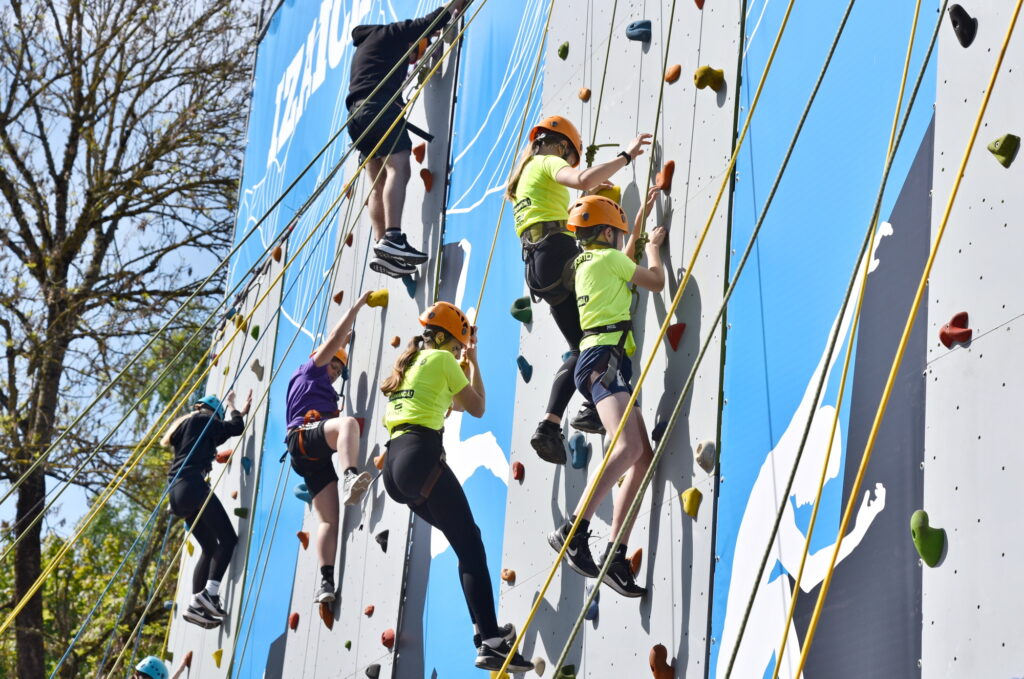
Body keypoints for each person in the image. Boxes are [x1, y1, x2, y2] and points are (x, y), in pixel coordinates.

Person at [379, 301, 532, 673]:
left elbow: (455, 406)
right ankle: (491, 641)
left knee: (466, 544)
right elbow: (477, 407)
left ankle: (487, 634)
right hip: (420, 456)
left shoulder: (411, 364)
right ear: (449, 339)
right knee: (471, 543)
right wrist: (473, 361)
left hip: (395, 469)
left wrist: (462, 360)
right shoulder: (444, 362)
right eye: (456, 344)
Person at [505, 114, 651, 464]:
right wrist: (626, 157)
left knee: (578, 347)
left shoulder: (524, 176)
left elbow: (550, 210)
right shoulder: (546, 160)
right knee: (598, 331)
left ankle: (550, 424)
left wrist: (581, 200)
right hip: (557, 252)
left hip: (538, 266)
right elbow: (582, 177)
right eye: (570, 156)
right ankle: (593, 403)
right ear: (561, 144)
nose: (569, 164)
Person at [547, 194, 667, 598]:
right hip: (606, 360)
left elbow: (620, 264)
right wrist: (653, 248)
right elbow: (654, 281)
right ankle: (574, 530)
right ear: (604, 233)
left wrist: (634, 228)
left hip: (597, 358)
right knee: (627, 448)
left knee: (641, 457)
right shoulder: (610, 260)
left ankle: (614, 556)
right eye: (616, 234)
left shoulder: (586, 264)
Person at [347, 0, 469, 278]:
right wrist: (457, 6)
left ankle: (383, 246)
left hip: (357, 116)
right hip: (379, 109)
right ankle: (393, 237)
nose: (414, 61)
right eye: (417, 53)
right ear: (413, 42)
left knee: (376, 183)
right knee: (399, 167)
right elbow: (431, 21)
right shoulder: (391, 33)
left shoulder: (368, 47)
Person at [285, 292, 375, 604]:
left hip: (309, 454)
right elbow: (336, 337)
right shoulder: (309, 370)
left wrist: (343, 347)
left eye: (338, 370)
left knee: (328, 520)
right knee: (347, 424)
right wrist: (357, 308)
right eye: (332, 366)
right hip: (303, 436)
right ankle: (350, 475)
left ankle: (325, 582)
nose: (334, 373)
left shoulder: (320, 390)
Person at [162, 390, 251, 628]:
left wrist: (238, 413)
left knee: (210, 548)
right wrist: (233, 406)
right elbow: (234, 429)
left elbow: (220, 435)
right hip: (192, 485)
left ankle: (195, 605)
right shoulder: (203, 420)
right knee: (228, 540)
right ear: (213, 413)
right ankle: (210, 593)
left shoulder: (189, 429)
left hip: (177, 495)